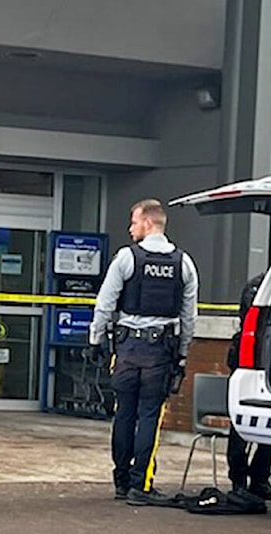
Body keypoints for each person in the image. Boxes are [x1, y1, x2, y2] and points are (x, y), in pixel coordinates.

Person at [88, 198, 198, 506]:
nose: (130, 227)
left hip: (127, 349)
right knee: (149, 414)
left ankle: (121, 482)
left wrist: (96, 340)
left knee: (124, 413)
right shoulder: (184, 263)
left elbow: (105, 303)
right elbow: (189, 317)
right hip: (160, 350)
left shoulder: (127, 258)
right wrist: (183, 355)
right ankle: (141, 484)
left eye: (134, 221)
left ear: (148, 223)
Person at [225, 273, 271, 501]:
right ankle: (240, 481)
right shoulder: (260, 287)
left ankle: (258, 478)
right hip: (251, 360)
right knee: (241, 425)